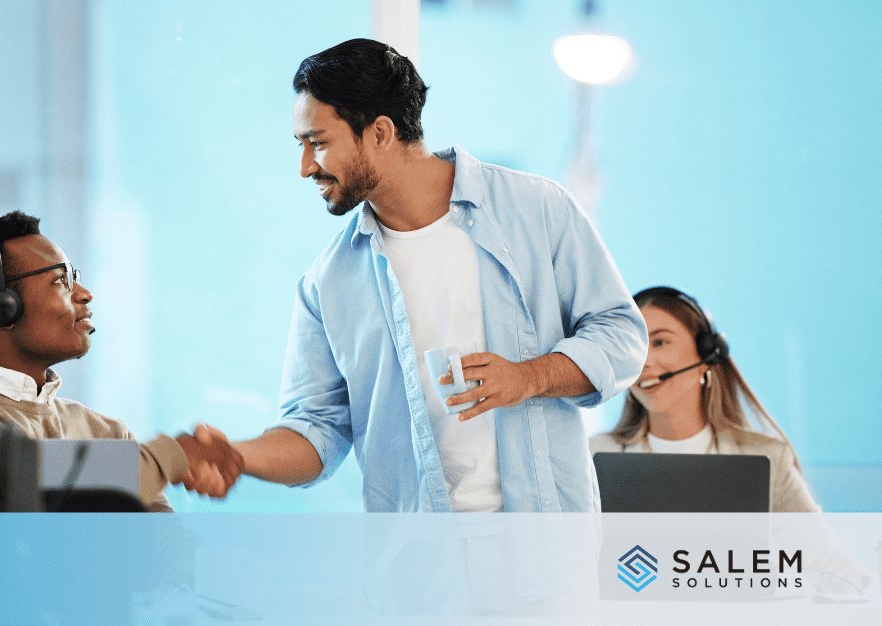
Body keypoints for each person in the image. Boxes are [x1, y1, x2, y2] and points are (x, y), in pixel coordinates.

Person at [224, 39, 647, 513]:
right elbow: (315, 432)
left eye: (317, 144)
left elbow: (622, 334)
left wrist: (529, 377)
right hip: (416, 572)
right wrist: (236, 457)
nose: (305, 168)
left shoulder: (537, 210)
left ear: (380, 133)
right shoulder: (327, 283)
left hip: (542, 559)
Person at [0, 211, 243, 512]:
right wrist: (172, 454)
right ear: (1, 307)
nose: (84, 293)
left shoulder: (107, 434)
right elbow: (17, 498)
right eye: (61, 280)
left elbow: (169, 552)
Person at [588, 286, 817, 512]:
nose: (644, 362)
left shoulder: (767, 457)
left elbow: (824, 550)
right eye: (634, 347)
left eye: (659, 343)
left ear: (707, 353)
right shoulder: (593, 456)